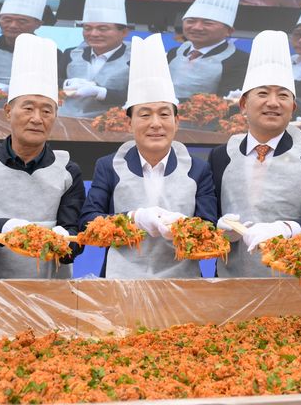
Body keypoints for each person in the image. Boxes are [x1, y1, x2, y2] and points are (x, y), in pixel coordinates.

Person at [79, 33, 217, 278]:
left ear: (177, 120)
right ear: (129, 122)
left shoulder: (197, 169)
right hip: (119, 280)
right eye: (144, 115)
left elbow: (210, 229)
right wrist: (133, 218)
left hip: (183, 283)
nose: (155, 124)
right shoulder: (109, 166)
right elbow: (88, 222)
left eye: (164, 114)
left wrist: (186, 226)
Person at [0, 34, 85, 278]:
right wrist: (5, 227)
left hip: (51, 288)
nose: (37, 118)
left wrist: (65, 240)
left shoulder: (68, 170)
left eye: (47, 110)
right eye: (28, 108)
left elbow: (74, 238)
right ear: (7, 111)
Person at [210, 30, 301, 277]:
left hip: (297, 283)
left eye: (282, 95)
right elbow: (207, 215)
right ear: (244, 105)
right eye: (262, 93)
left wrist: (286, 229)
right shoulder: (221, 156)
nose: (273, 102)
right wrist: (220, 227)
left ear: (293, 107)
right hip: (231, 282)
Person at [59, 0, 131, 118]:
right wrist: (67, 83)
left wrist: (101, 92)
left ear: (124, 32)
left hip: (112, 127)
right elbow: (51, 82)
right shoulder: (71, 54)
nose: (94, 34)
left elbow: (141, 96)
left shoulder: (136, 58)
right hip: (66, 121)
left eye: (103, 29)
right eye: (87, 28)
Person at [167, 0, 249, 100]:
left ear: (229, 31)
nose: (197, 27)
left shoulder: (240, 60)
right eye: (191, 21)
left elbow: (228, 102)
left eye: (208, 23)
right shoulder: (173, 53)